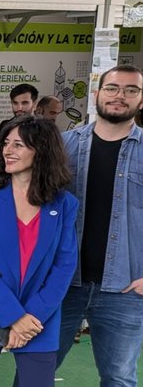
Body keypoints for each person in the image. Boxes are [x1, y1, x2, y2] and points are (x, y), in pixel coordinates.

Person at [0, 116, 78, 386]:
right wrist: (14, 315)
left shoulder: (65, 204)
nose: (7, 150)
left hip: (38, 314)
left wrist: (30, 317)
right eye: (6, 143)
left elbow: (64, 265)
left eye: (19, 145)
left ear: (42, 151)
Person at [57, 64, 143, 386]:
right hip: (63, 283)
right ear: (97, 94)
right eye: (112, 88)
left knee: (119, 378)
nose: (120, 96)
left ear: (141, 99)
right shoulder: (64, 146)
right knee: (34, 370)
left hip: (124, 289)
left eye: (131, 90)